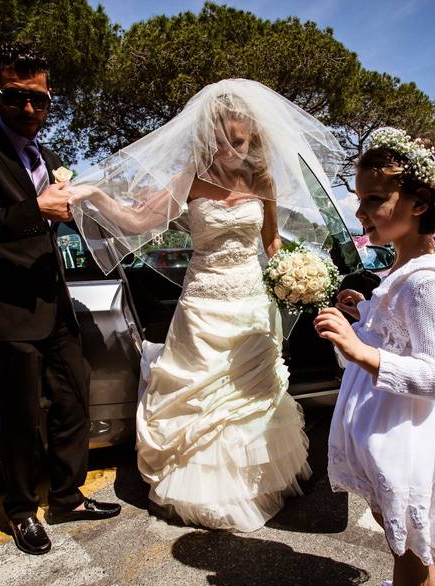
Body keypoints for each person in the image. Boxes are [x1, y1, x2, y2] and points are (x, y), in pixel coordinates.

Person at [66, 79, 344, 531]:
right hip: (201, 302)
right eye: (219, 140)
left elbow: (271, 241)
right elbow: (136, 221)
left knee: (250, 399)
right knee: (201, 400)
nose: (228, 150)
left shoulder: (263, 179)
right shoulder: (189, 178)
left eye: (236, 141)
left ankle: (255, 483)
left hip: (252, 301)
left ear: (252, 136)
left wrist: (297, 277)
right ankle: (201, 490)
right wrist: (94, 195)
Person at [0, 43, 120, 556]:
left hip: (54, 303)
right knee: (19, 416)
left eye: (39, 100)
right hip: (8, 310)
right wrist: (33, 207)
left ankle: (66, 495)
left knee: (73, 399)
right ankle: (20, 510)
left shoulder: (49, 156)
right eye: (16, 98)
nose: (28, 110)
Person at [315, 127, 435, 586]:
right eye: (360, 198)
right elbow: (399, 334)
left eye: (375, 199)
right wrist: (363, 314)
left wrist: (358, 348)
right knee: (400, 518)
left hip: (413, 424)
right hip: (391, 417)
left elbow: (434, 376)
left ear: (417, 202)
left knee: (412, 533)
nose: (362, 211)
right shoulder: (403, 265)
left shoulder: (427, 282)